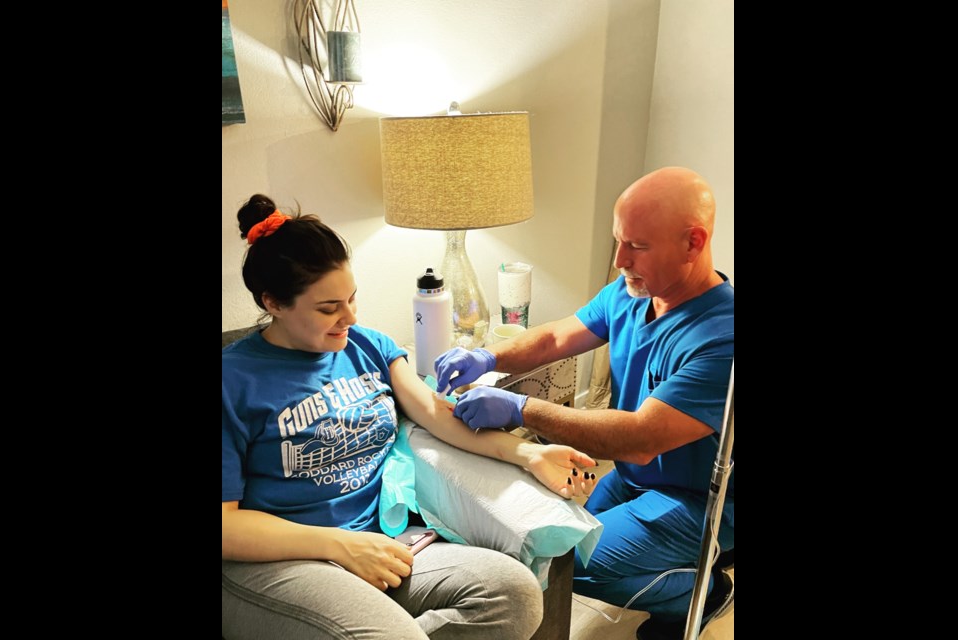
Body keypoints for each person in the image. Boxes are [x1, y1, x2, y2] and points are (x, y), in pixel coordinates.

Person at [222, 194, 598, 640]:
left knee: (513, 594)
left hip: (380, 540)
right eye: (328, 308)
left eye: (351, 298)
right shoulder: (233, 380)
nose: (349, 317)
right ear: (275, 303)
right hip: (279, 560)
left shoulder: (368, 347)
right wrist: (339, 546)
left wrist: (525, 454)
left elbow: (438, 415)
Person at [433, 167, 734, 640]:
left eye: (637, 246)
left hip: (697, 501)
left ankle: (705, 589)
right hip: (638, 480)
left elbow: (640, 439)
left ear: (693, 243)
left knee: (572, 568)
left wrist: (519, 409)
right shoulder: (633, 292)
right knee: (550, 544)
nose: (619, 259)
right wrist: (487, 355)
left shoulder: (722, 337)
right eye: (618, 240)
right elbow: (556, 336)